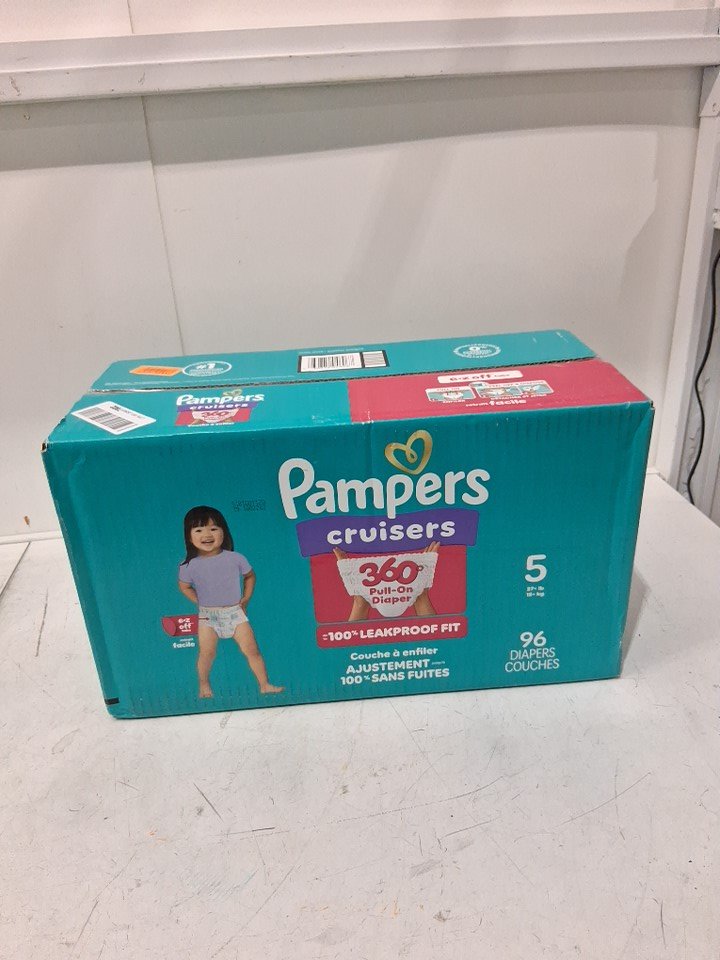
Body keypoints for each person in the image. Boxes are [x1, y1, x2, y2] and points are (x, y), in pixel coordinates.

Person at [178, 505, 283, 698]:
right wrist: (199, 601)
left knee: (252, 650)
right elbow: (184, 586)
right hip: (208, 617)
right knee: (207, 653)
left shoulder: (235, 558)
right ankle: (203, 685)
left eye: (213, 528)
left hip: (235, 613)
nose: (207, 534)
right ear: (189, 536)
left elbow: (250, 576)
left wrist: (246, 598)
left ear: (223, 532)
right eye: (199, 530)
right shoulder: (189, 565)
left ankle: (264, 684)